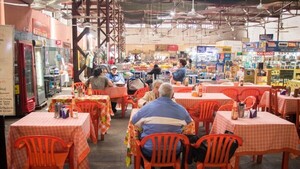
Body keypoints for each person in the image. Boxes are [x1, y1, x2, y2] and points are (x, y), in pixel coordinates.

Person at [131, 83, 192, 158]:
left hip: (150, 151)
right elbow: (189, 123)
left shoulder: (147, 107)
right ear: (172, 94)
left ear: (159, 93)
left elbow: (134, 121)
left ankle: (150, 165)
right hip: (173, 152)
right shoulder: (181, 109)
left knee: (140, 134)